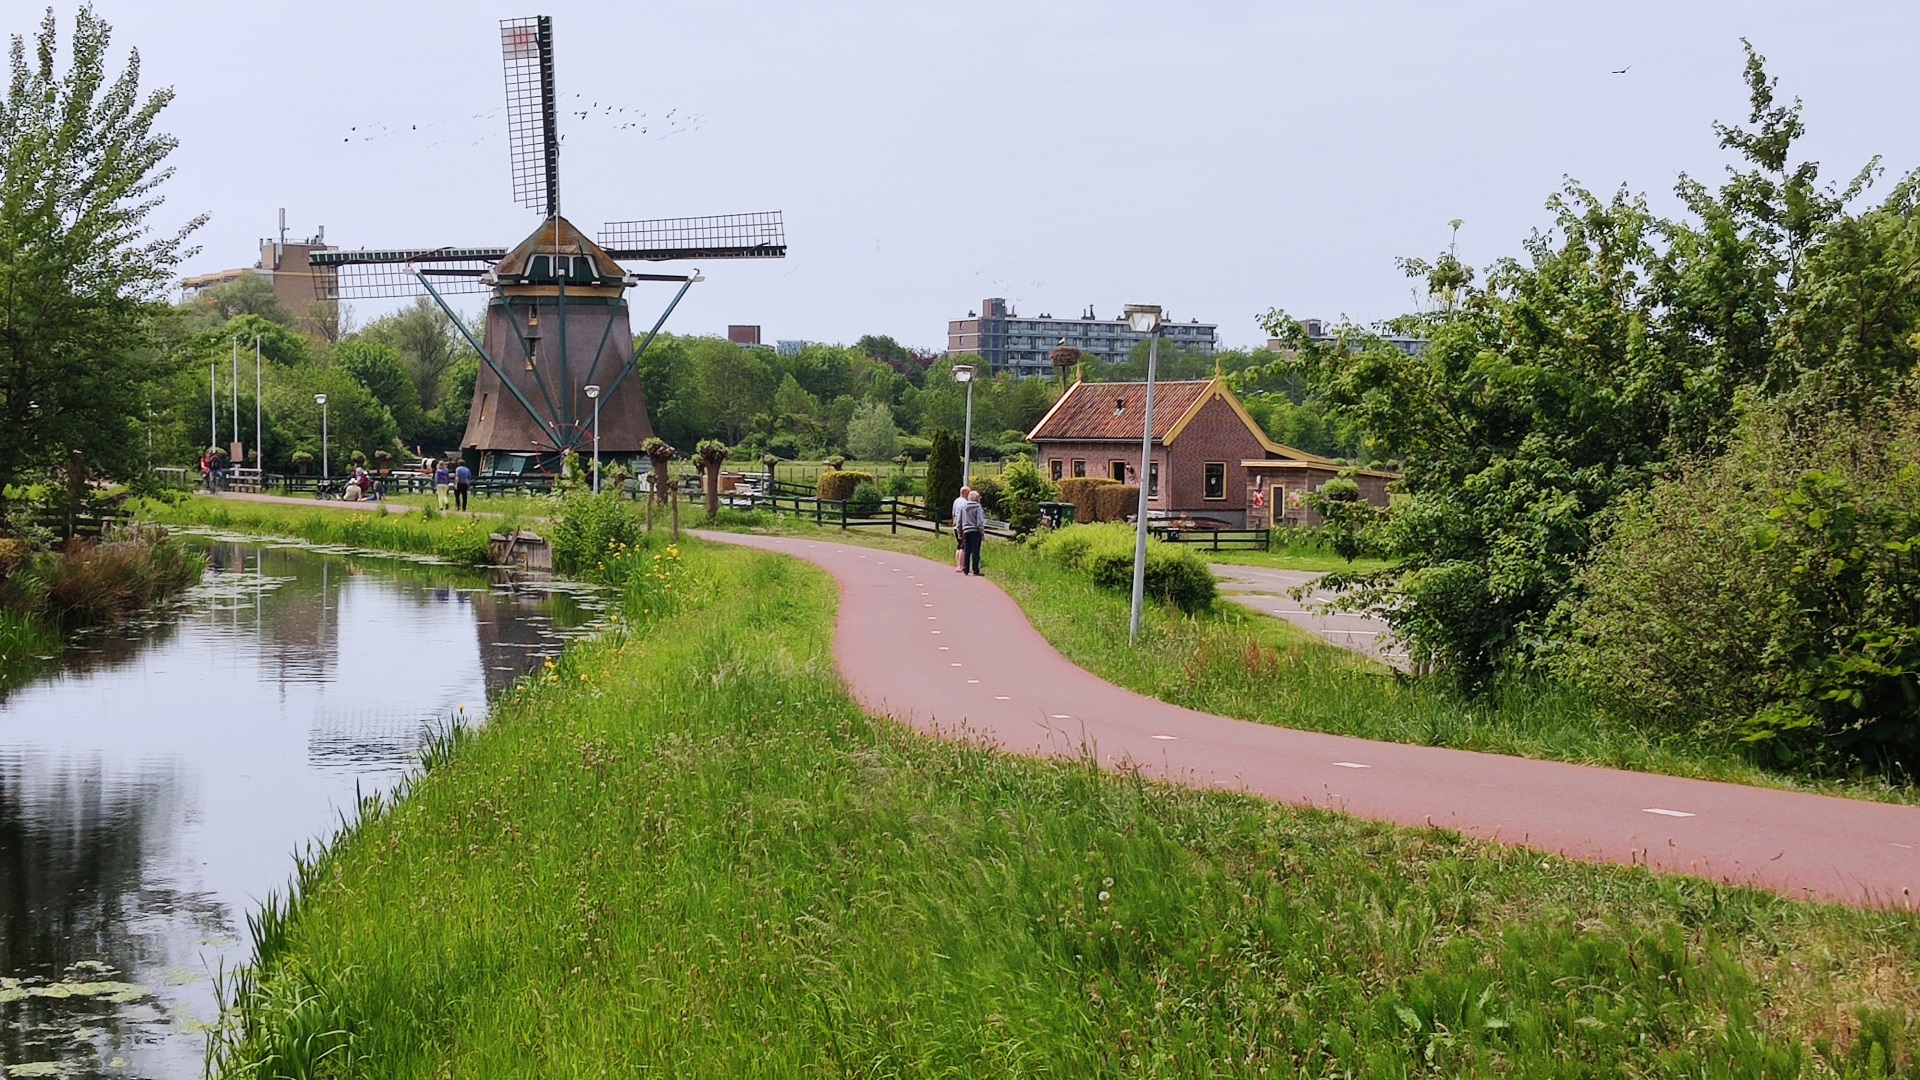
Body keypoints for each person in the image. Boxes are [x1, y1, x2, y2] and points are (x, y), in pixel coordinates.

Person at [960, 489, 986, 576]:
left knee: (967, 550)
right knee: (976, 551)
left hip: (966, 530)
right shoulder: (978, 507)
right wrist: (982, 532)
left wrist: (960, 530)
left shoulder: (963, 506)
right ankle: (975, 569)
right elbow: (980, 521)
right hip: (975, 530)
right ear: (976, 498)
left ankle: (965, 568)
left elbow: (959, 520)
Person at [951, 485, 972, 572]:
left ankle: (958, 564)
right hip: (962, 526)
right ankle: (961, 565)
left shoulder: (956, 501)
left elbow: (953, 513)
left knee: (959, 545)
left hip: (956, 525)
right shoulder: (964, 503)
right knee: (964, 546)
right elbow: (963, 516)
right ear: (966, 493)